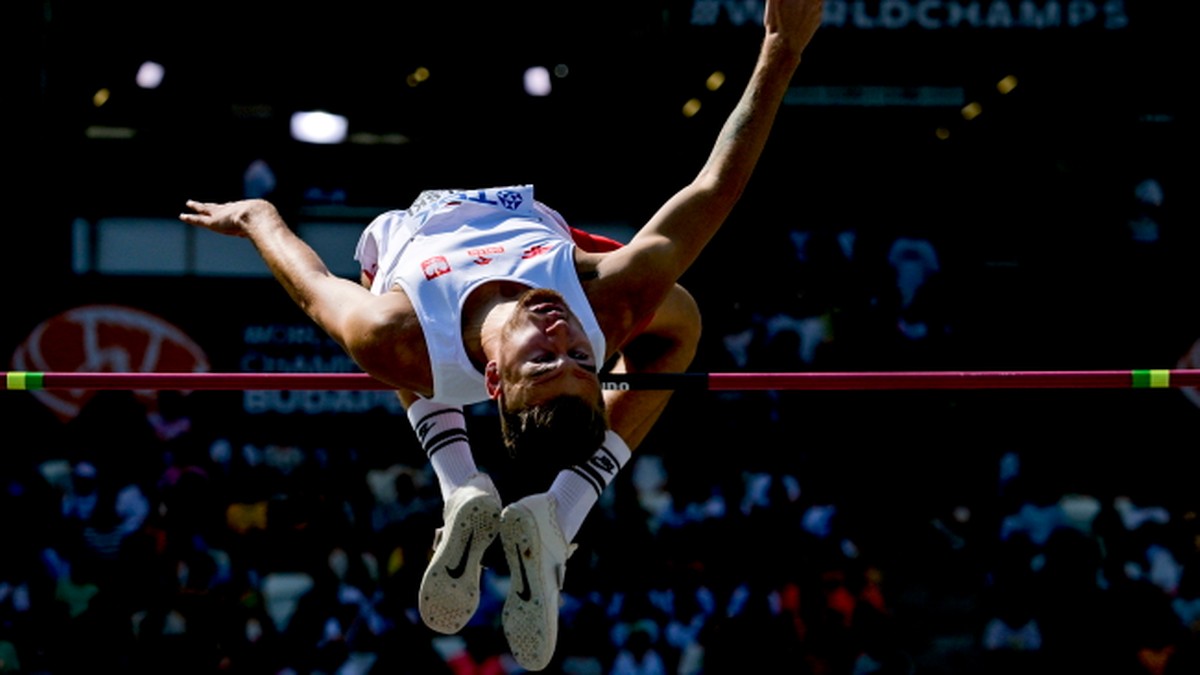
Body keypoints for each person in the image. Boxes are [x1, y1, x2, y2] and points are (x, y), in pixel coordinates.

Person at [179, 1, 824, 669]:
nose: (561, 330)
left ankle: (461, 483)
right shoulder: (596, 304)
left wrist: (258, 217)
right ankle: (561, 512)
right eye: (582, 356)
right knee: (680, 318)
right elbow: (716, 188)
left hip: (414, 247)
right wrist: (781, 50)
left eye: (546, 358)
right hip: (541, 235)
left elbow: (311, 283)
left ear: (493, 380)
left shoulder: (393, 332)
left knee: (397, 343)